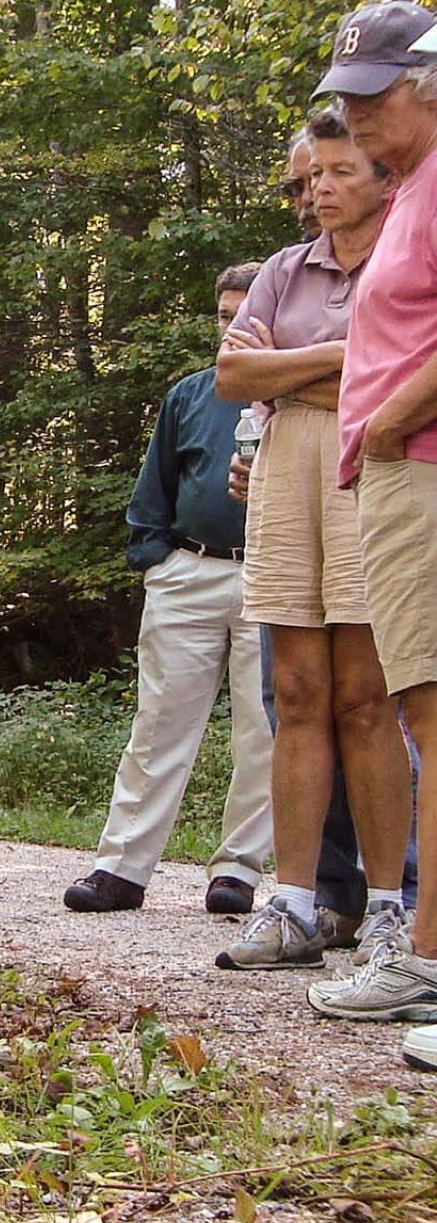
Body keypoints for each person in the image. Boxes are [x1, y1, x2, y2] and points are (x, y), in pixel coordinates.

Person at [212, 105, 416, 971]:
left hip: (378, 464)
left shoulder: (409, 255)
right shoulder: (285, 271)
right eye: (310, 176)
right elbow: (231, 375)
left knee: (368, 698)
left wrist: (293, 370)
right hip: (287, 468)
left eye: (339, 171)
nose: (319, 189)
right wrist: (348, 356)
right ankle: (292, 902)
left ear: (382, 176)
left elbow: (406, 374)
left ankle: (386, 908)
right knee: (295, 692)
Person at [297, 3, 437, 1046]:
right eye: (345, 97)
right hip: (399, 475)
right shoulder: (415, 191)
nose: (356, 116)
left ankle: (426, 964)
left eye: (375, 93)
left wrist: (391, 418)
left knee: (429, 719)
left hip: (421, 470)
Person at [62, 267, 274, 915]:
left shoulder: (299, 393)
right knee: (159, 723)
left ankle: (237, 870)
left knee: (265, 731)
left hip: (272, 572)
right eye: (223, 315)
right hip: (188, 571)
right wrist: (156, 559)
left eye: (247, 314)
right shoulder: (189, 394)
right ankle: (122, 866)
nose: (233, 327)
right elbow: (153, 485)